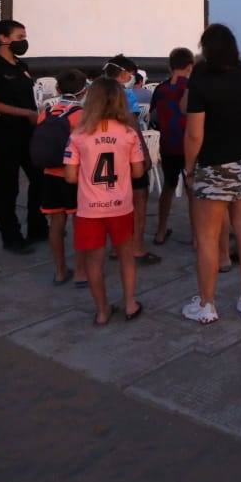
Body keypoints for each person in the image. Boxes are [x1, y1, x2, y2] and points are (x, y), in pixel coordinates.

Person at [181, 23, 241, 325]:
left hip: (213, 165)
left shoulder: (201, 79)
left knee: (207, 238)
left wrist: (189, 168)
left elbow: (194, 135)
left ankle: (206, 305)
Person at [62, 77, 145, 325]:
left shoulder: (78, 134)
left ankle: (101, 310)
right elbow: (139, 172)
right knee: (126, 256)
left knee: (94, 262)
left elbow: (70, 176)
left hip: (90, 209)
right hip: (121, 206)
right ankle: (130, 303)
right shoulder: (129, 133)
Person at [0, 19, 45, 254]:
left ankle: (38, 228)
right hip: (3, 133)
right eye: (19, 37)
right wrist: (25, 112)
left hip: (28, 132)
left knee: (40, 179)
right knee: (7, 187)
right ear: (3, 39)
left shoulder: (20, 65)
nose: (23, 41)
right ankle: (11, 236)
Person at [103, 55, 160, 266]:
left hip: (105, 153)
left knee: (115, 202)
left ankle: (116, 248)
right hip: (127, 152)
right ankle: (136, 247)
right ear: (124, 73)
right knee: (138, 198)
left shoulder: (96, 92)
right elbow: (133, 124)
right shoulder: (124, 94)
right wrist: (144, 153)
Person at [37, 69, 88, 286]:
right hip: (75, 176)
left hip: (49, 175)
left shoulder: (46, 113)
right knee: (79, 224)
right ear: (85, 90)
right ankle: (80, 271)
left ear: (57, 89)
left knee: (56, 223)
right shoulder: (82, 116)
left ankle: (59, 271)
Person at [151, 47, 194, 246]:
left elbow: (153, 118)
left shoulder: (160, 89)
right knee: (192, 190)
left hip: (168, 144)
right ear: (190, 66)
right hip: (190, 145)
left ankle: (160, 231)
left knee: (168, 187)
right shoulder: (192, 88)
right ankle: (197, 236)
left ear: (170, 65)